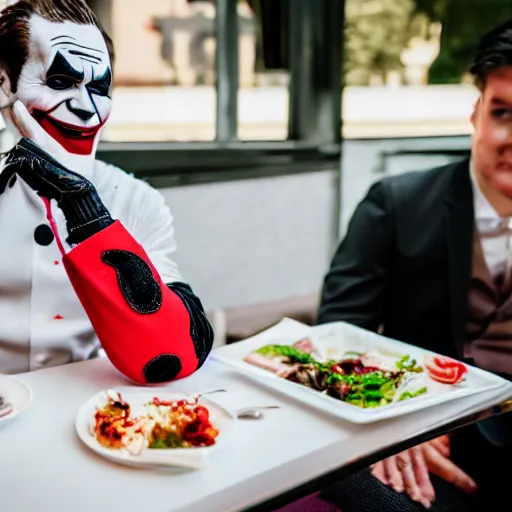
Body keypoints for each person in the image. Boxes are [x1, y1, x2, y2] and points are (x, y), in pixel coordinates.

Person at [315, 19, 512, 512]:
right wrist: (391, 424)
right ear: (475, 113)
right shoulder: (395, 204)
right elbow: (336, 335)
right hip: (424, 439)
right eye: (504, 112)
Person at [0, 0, 214, 384]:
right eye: (60, 82)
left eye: (99, 87)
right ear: (4, 84)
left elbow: (173, 355)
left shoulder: (136, 201)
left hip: (98, 417)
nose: (87, 109)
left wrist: (81, 205)